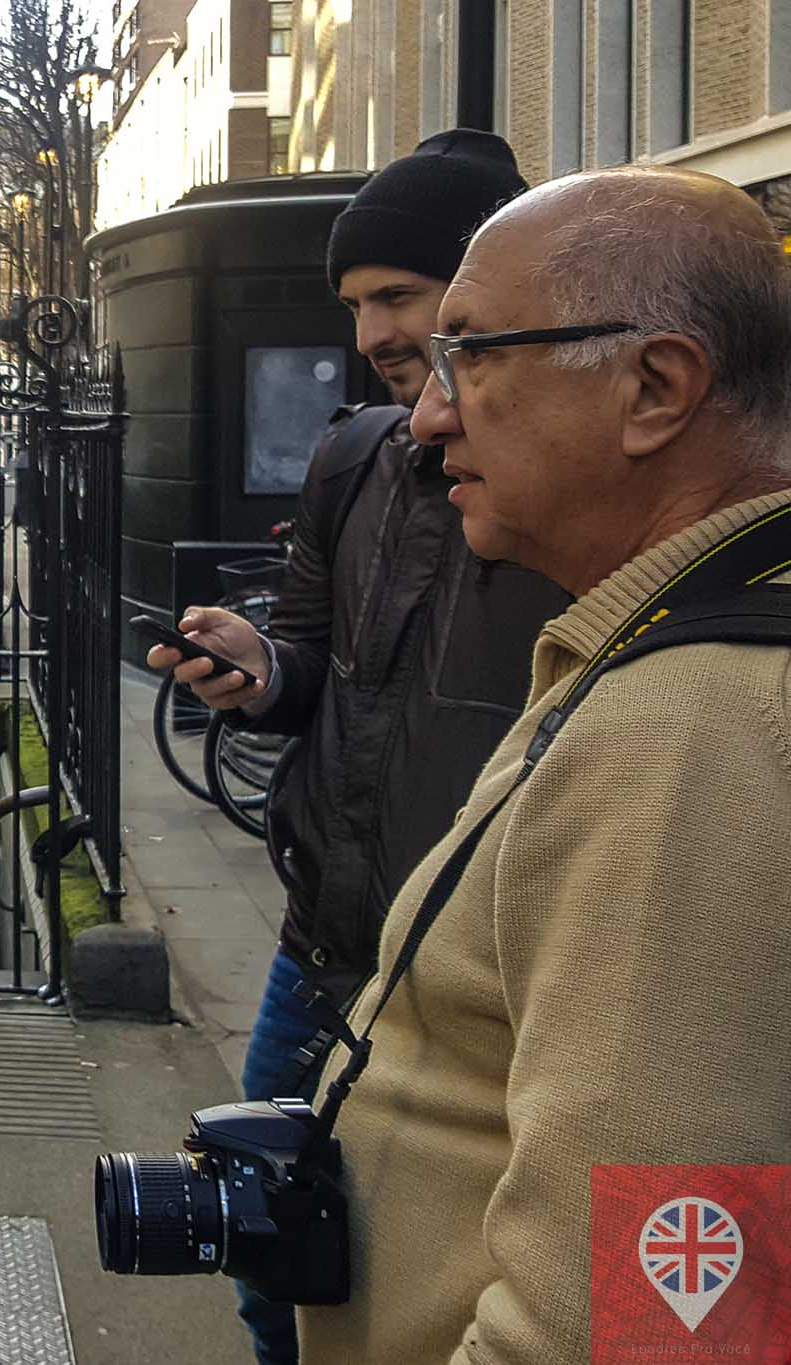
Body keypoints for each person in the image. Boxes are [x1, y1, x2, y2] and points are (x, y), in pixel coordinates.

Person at [293, 167, 791, 1362]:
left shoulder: (687, 731)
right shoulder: (686, 649)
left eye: (469, 355)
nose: (427, 415)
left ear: (653, 388)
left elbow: (649, 1322)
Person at [142, 130, 571, 1365]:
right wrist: (258, 672)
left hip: (485, 985)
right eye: (352, 305)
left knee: (441, 1283)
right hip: (321, 951)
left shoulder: (567, 484)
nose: (372, 333)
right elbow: (311, 662)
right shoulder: (353, 459)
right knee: (268, 1266)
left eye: (398, 295)